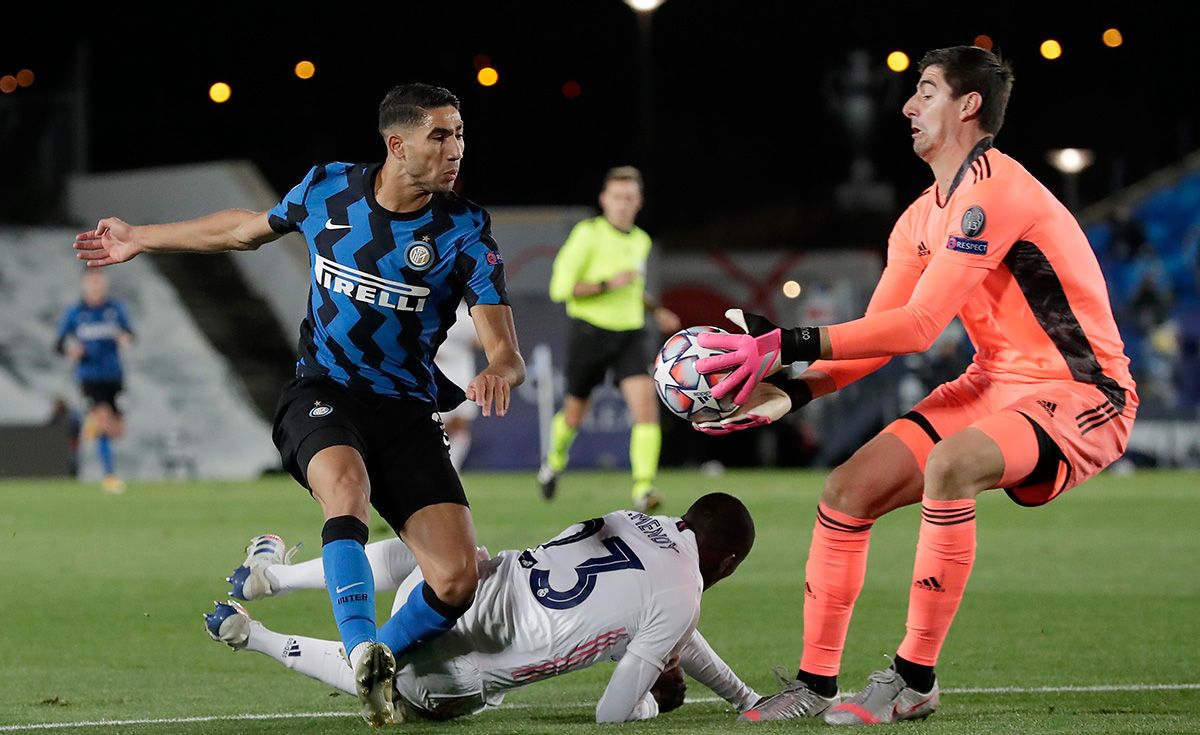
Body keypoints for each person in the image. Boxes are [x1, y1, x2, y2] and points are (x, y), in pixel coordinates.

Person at [695, 46, 1137, 725]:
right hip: (994, 381)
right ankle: (814, 683)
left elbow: (921, 326)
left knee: (950, 462)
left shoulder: (995, 189)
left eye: (925, 91)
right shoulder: (919, 218)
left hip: (1082, 390)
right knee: (847, 488)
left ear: (968, 106)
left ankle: (913, 679)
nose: (906, 106)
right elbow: (881, 332)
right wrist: (798, 388)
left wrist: (784, 342)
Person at [73, 83, 526, 729]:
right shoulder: (328, 189)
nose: (456, 149)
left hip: (405, 411)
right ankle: (362, 642)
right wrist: (141, 236)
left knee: (456, 579)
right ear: (397, 144)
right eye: (441, 135)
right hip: (323, 391)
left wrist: (498, 369)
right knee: (346, 489)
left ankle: (374, 664)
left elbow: (503, 345)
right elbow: (240, 230)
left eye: (459, 135)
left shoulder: (463, 226)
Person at [205, 492, 760, 723]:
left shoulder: (640, 521)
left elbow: (672, 621)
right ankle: (254, 636)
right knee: (394, 675)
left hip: (448, 593)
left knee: (440, 557)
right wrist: (652, 706)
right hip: (447, 680)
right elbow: (611, 713)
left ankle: (274, 576)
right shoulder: (681, 596)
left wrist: (743, 696)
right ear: (729, 563)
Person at [540, 166, 681, 511]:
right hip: (590, 332)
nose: (622, 204)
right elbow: (560, 289)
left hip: (630, 335)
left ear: (639, 202)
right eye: (617, 197)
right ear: (604, 200)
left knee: (646, 409)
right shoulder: (587, 235)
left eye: (629, 198)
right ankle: (554, 461)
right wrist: (605, 284)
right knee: (574, 414)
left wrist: (654, 310)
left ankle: (644, 488)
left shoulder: (641, 240)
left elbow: (633, 286)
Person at [55, 269, 134, 493]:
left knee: (117, 430)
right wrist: (70, 351)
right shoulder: (75, 313)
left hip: (114, 375)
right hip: (89, 377)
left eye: (100, 284)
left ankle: (92, 424)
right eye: (92, 284)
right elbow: (59, 344)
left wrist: (125, 338)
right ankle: (110, 477)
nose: (97, 288)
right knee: (104, 424)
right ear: (85, 286)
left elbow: (130, 333)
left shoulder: (115, 309)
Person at [435, 303, 482, 471]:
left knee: (461, 423)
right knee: (439, 425)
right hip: (438, 371)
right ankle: (437, 468)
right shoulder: (431, 309)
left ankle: (452, 469)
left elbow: (480, 341)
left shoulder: (465, 314)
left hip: (462, 372)